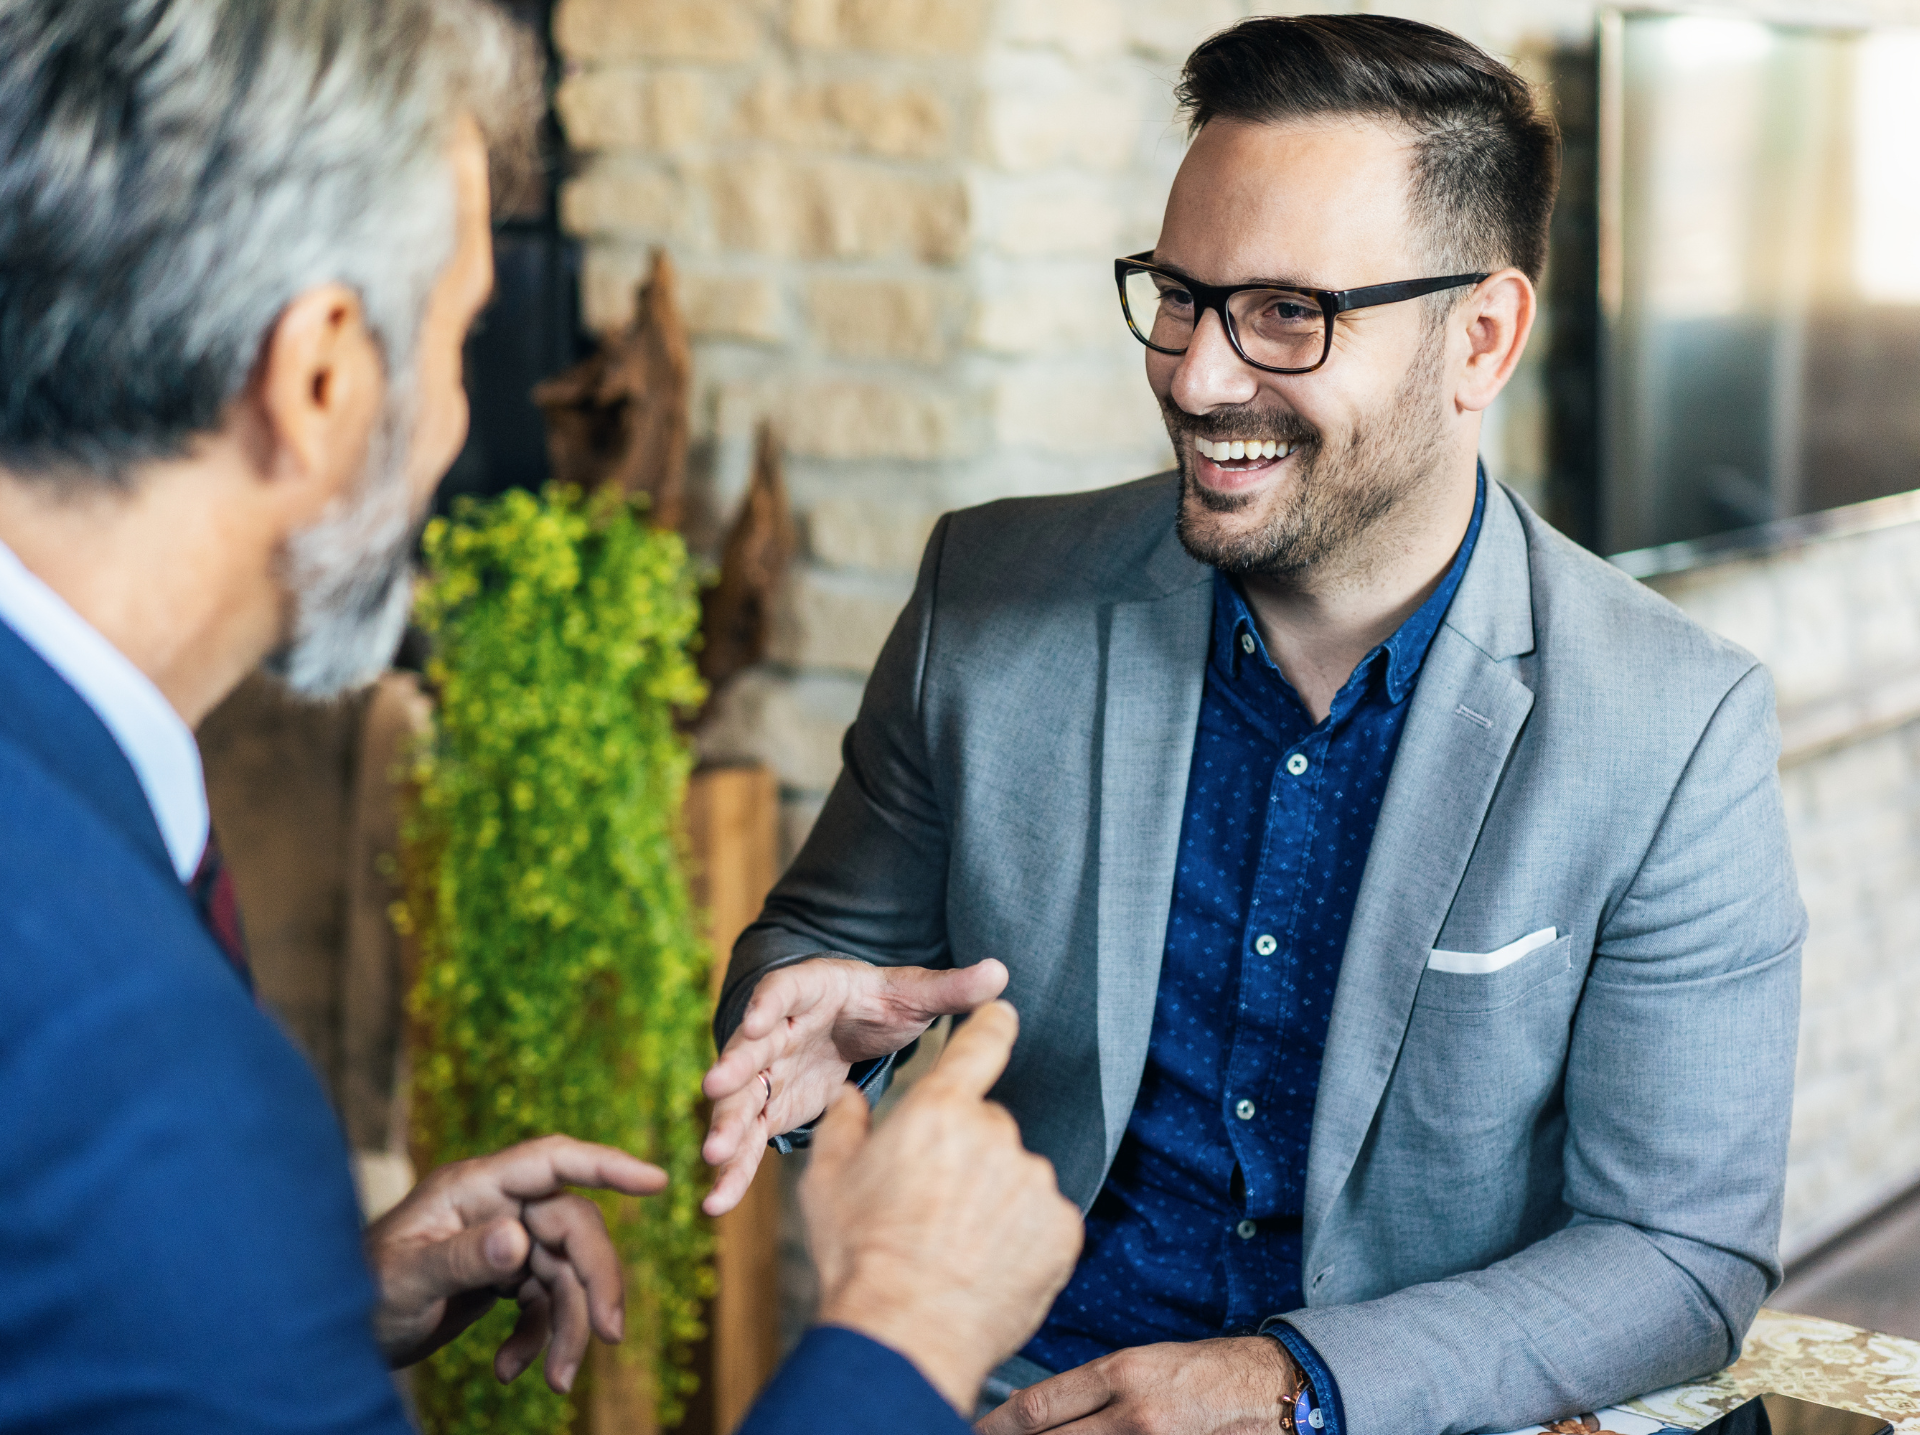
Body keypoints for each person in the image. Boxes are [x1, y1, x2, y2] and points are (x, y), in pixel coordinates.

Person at [703, 14, 1807, 1435]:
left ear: (1480, 337)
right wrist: (804, 1029)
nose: (1198, 374)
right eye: (1180, 292)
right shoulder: (984, 598)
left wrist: (1293, 1388)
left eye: (1289, 311)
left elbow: (1682, 1252)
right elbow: (809, 959)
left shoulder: (1674, 721)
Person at [0, 1, 1078, 1430]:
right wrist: (903, 1323)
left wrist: (286, 1301)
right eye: (460, 345)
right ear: (318, 376)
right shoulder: (138, 1058)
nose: (459, 423)